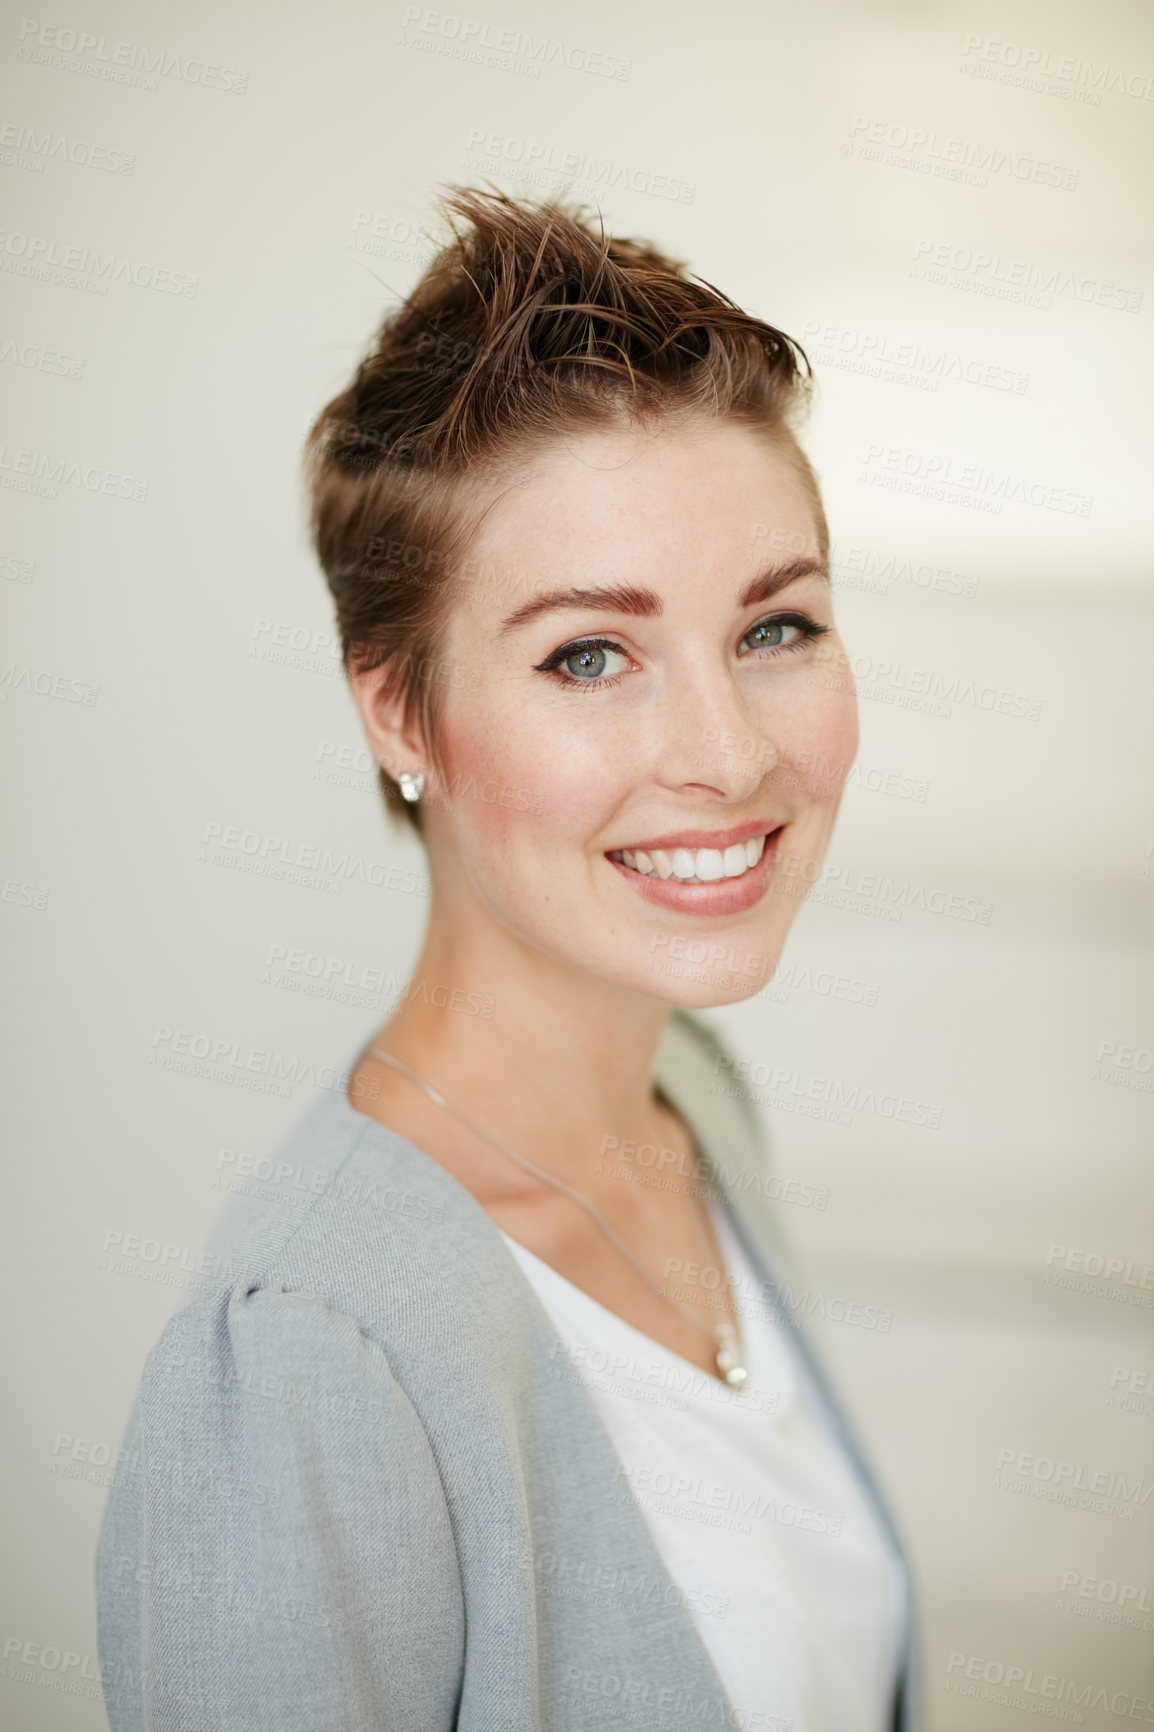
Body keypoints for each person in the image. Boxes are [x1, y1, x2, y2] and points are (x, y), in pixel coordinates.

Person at [95, 186, 919, 1731]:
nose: (727, 754)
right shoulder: (303, 1363)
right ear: (398, 712)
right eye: (587, 655)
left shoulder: (693, 1098)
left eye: (775, 628)